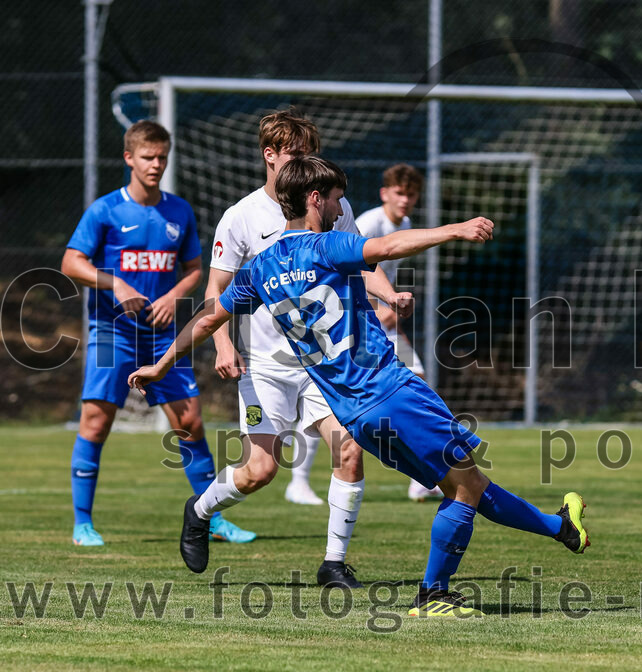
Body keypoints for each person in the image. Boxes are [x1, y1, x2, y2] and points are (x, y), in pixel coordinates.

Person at [128, 156, 590, 619]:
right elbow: (388, 247)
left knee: (465, 482)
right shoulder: (326, 247)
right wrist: (455, 229)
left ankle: (561, 528)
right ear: (314, 199)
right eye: (334, 198)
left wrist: (161, 364)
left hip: (354, 413)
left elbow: (209, 319)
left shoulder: (262, 270)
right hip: (393, 391)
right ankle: (433, 596)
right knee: (465, 488)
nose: (339, 205)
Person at [205, 109, 406, 588]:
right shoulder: (240, 217)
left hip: (324, 363)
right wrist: (222, 343)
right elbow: (216, 291)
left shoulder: (332, 205)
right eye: (296, 154)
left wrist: (388, 294)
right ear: (269, 155)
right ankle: (201, 510)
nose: (304, 162)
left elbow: (361, 257)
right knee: (260, 470)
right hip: (266, 365)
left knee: (350, 448)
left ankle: (333, 563)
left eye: (309, 154)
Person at [61, 120, 254, 546]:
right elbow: (71, 262)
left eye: (162, 157)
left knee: (189, 423)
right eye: (148, 157)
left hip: (163, 335)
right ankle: (82, 524)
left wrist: (173, 297)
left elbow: (195, 271)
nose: (156, 164)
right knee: (95, 422)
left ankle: (212, 518)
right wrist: (116, 283)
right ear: (129, 158)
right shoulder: (106, 210)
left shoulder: (178, 211)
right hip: (112, 333)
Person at [356, 163, 442, 501]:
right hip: (356, 322)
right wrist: (376, 312)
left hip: (381, 323)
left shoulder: (403, 224)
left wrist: (391, 310)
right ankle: (300, 480)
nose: (405, 200)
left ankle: (422, 476)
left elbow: (385, 278)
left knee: (418, 383)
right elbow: (349, 271)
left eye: (411, 194)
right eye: (399, 193)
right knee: (332, 407)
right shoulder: (368, 223)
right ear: (385, 194)